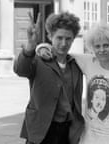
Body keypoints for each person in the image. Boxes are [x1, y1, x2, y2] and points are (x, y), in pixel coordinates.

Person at [36, 23, 109, 144]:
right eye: (97, 46)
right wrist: (42, 47)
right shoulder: (89, 63)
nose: (101, 50)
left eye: (106, 45)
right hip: (89, 137)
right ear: (92, 48)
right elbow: (61, 52)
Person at [13, 12, 84, 144]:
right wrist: (31, 46)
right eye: (59, 38)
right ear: (50, 36)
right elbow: (20, 69)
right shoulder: (39, 59)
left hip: (67, 131)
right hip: (41, 129)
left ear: (73, 39)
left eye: (68, 39)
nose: (63, 43)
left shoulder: (76, 65)